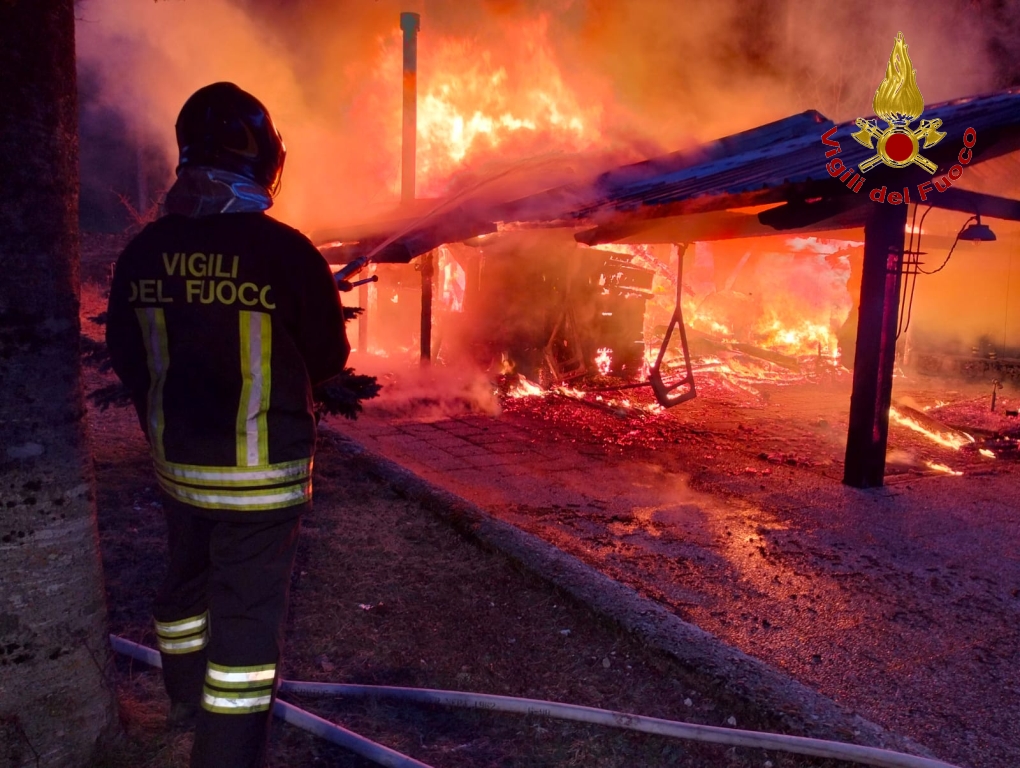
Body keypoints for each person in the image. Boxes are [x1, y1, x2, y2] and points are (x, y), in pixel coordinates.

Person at [106, 82, 350, 768]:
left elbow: (128, 357)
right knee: (245, 617)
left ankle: (183, 699)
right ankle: (226, 755)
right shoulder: (285, 253)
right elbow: (329, 357)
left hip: (178, 468)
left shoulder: (143, 253)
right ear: (265, 161)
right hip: (260, 478)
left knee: (184, 585)